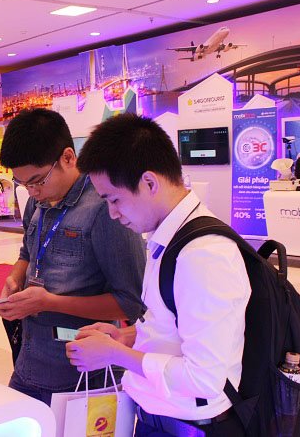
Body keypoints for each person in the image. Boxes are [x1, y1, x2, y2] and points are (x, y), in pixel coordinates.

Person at [65, 113, 250, 436]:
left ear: (149, 182)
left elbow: (205, 378)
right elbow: (170, 327)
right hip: (163, 418)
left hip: (188, 427)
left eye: (114, 199)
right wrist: (126, 337)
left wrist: (115, 354)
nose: (112, 213)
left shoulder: (202, 255)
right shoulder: (169, 236)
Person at [0, 109, 146, 406]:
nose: (32, 192)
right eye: (22, 184)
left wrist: (49, 302)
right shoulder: (36, 202)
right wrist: (15, 277)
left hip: (82, 372)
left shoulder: (105, 209)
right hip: (29, 358)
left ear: (68, 157)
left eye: (37, 181)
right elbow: (27, 251)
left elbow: (130, 302)